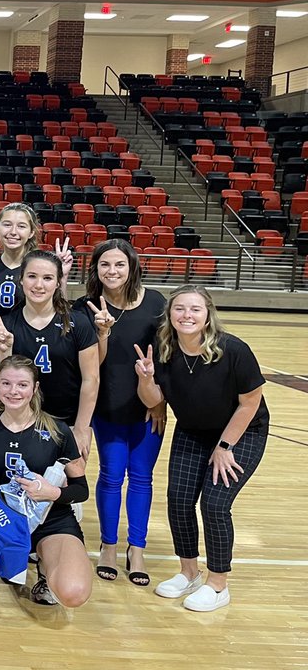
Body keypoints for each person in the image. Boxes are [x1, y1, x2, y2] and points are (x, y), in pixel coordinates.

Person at [134, 286, 268, 613]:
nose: (187, 315)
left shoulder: (233, 349)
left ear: (208, 314)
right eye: (179, 308)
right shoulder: (163, 350)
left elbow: (250, 402)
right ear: (170, 314)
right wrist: (146, 379)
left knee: (215, 504)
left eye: (195, 309)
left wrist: (225, 446)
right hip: (193, 431)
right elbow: (154, 401)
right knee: (179, 500)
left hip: (241, 432)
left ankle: (218, 585)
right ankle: (189, 573)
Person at [0, 356, 92, 609]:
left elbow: (81, 490)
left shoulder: (57, 430)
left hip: (50, 519)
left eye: (22, 385)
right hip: (3, 516)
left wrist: (52, 492)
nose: (13, 391)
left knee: (73, 593)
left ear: (35, 388)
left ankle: (45, 570)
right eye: (6, 383)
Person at [75, 240, 166, 586]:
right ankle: (109, 546)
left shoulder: (156, 303)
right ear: (95, 269)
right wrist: (102, 332)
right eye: (104, 265)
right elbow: (91, 365)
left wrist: (160, 401)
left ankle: (137, 549)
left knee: (142, 477)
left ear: (132, 267)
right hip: (108, 407)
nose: (112, 271)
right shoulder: (86, 307)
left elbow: (167, 358)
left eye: (119, 264)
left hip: (148, 408)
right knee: (112, 475)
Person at [0, 250, 99, 457]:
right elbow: (3, 382)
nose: (39, 285)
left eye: (47, 278)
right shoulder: (7, 324)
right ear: (21, 279)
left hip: (67, 423)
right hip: (19, 424)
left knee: (70, 479)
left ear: (58, 282)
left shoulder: (79, 323)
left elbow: (91, 379)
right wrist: (5, 351)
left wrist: (82, 428)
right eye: (32, 276)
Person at [0, 203, 39, 312]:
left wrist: (63, 277)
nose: (13, 232)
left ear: (31, 232)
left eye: (21, 226)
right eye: (7, 225)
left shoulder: (38, 267)